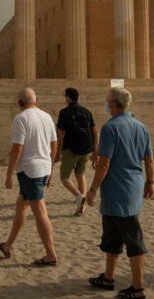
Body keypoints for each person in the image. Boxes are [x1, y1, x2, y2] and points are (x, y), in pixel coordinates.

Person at [86, 86, 154, 299]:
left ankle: (138, 287)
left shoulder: (110, 128)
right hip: (132, 186)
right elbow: (149, 159)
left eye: (108, 100)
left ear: (114, 103)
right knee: (112, 236)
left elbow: (104, 163)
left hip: (118, 190)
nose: (106, 103)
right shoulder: (141, 127)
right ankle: (108, 278)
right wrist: (150, 181)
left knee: (133, 240)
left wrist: (92, 189)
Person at [0, 87, 59, 266]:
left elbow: (17, 148)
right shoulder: (47, 116)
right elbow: (54, 144)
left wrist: (9, 174)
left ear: (19, 102)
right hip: (43, 167)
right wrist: (51, 167)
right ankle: (8, 245)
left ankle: (51, 254)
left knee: (40, 210)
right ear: (36, 100)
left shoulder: (21, 118)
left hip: (30, 170)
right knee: (21, 204)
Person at [56, 87, 98, 216]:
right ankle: (81, 206)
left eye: (65, 96)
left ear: (68, 98)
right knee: (80, 175)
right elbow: (94, 131)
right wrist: (95, 150)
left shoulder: (64, 112)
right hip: (85, 148)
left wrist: (58, 151)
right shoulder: (86, 111)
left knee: (64, 177)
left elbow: (61, 133)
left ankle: (79, 197)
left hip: (70, 148)